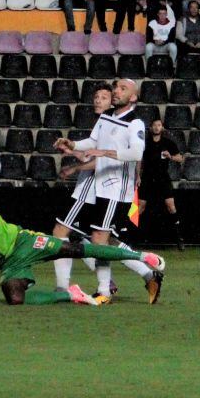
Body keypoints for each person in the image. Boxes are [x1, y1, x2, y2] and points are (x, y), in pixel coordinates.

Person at [0, 185, 166, 307]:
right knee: (15, 299)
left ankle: (141, 256)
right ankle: (70, 294)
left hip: (24, 242)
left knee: (76, 248)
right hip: (8, 262)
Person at [52, 79, 158, 304]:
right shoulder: (106, 117)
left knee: (98, 239)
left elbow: (137, 153)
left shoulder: (135, 122)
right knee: (100, 239)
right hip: (100, 187)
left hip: (116, 188)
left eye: (122, 89)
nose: (116, 92)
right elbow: (92, 141)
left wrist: (104, 152)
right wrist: (72, 145)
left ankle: (104, 290)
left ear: (133, 97)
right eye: (116, 88)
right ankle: (117, 285)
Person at [50, 84, 110, 291]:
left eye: (103, 97)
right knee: (97, 239)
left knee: (60, 232)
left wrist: (75, 168)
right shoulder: (102, 123)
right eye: (96, 96)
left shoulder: (109, 124)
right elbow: (92, 153)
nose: (98, 100)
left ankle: (62, 287)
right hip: (99, 187)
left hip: (91, 187)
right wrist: (72, 151)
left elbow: (102, 159)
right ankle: (145, 273)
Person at [137, 119, 184, 252]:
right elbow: (138, 160)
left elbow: (180, 158)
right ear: (150, 128)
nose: (157, 128)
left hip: (162, 178)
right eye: (154, 125)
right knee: (139, 207)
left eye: (159, 125)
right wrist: (138, 176)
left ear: (162, 128)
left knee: (171, 206)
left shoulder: (168, 143)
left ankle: (179, 238)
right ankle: (127, 237)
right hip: (146, 178)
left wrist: (171, 157)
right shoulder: (144, 143)